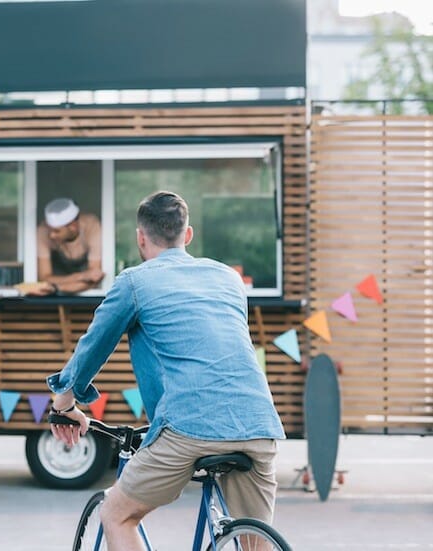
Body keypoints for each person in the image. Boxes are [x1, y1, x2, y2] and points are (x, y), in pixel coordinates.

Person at [47, 191, 285, 550]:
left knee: (116, 514)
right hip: (258, 424)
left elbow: (92, 348)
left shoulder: (134, 282)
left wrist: (64, 404)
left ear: (140, 238)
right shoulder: (229, 279)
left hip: (188, 425)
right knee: (253, 542)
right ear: (187, 235)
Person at [32, 197, 104, 295]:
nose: (51, 235)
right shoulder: (43, 230)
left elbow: (94, 278)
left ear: (73, 227)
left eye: (57, 231)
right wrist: (82, 276)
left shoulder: (92, 227)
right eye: (49, 229)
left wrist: (56, 288)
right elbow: (44, 278)